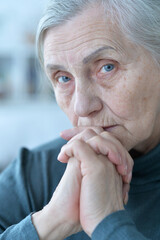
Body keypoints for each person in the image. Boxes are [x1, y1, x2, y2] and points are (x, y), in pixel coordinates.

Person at [0, 0, 160, 239]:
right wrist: (50, 222)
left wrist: (107, 222)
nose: (82, 107)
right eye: (63, 78)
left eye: (107, 67)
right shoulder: (30, 176)